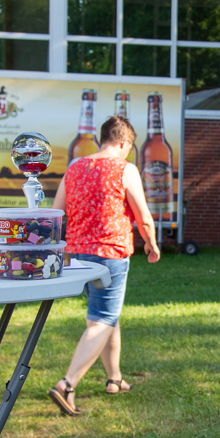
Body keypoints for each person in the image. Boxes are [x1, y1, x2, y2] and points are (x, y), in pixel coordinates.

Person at [48, 115, 160, 416]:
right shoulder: (125, 169)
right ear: (124, 143)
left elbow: (57, 212)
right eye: (130, 147)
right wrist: (151, 243)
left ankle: (114, 379)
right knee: (103, 319)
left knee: (105, 317)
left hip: (77, 255)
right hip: (110, 255)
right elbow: (143, 216)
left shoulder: (74, 167)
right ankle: (67, 384)